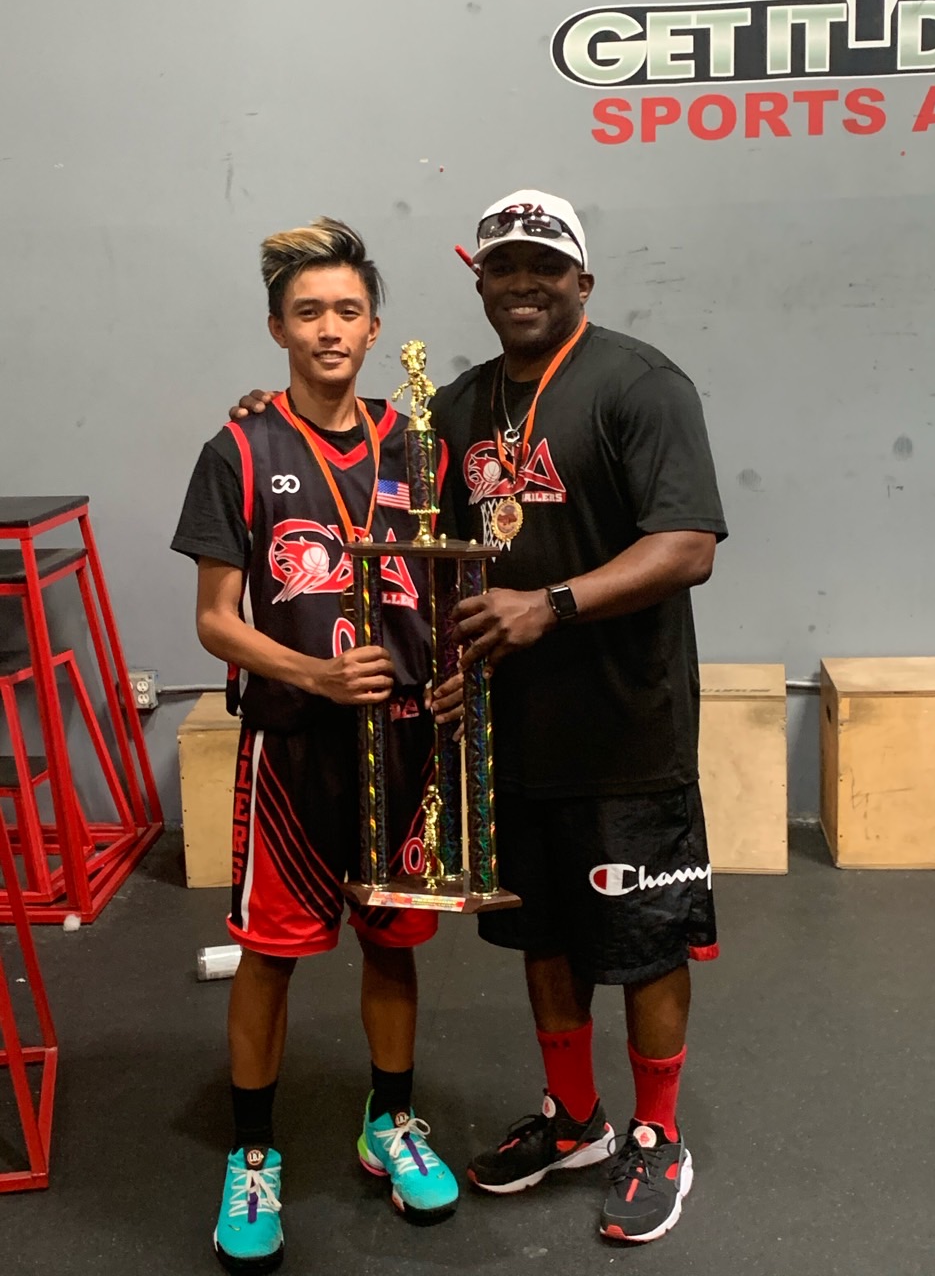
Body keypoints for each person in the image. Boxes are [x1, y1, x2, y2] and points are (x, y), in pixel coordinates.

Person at [228, 189, 727, 1245]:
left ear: (583, 279)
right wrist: (265, 413)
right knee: (541, 934)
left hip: (625, 726)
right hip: (504, 732)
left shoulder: (641, 383)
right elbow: (406, 517)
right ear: (481, 283)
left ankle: (658, 1134)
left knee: (643, 941)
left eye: (545, 265)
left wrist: (552, 604)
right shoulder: (455, 408)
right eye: (504, 267)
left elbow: (687, 546)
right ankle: (574, 1117)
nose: (524, 283)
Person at [171, 217, 460, 1274]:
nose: (329, 329)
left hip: (405, 746)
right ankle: (252, 1154)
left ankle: (391, 1121)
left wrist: (455, 666)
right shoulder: (240, 449)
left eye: (347, 310)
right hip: (293, 748)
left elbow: (450, 576)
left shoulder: (420, 443)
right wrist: (313, 674)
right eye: (308, 312)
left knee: (393, 942)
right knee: (271, 952)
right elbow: (215, 620)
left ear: (375, 328)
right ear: (277, 329)